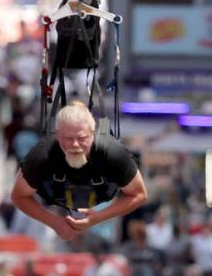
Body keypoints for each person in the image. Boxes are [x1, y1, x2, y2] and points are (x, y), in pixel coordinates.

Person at [10, 101, 148, 242]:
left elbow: (139, 194)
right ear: (57, 136)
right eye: (68, 138)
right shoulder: (43, 154)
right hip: (57, 201)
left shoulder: (113, 154)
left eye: (82, 138)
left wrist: (99, 217)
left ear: (93, 135)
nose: (75, 145)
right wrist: (54, 222)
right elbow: (18, 196)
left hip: (99, 203)